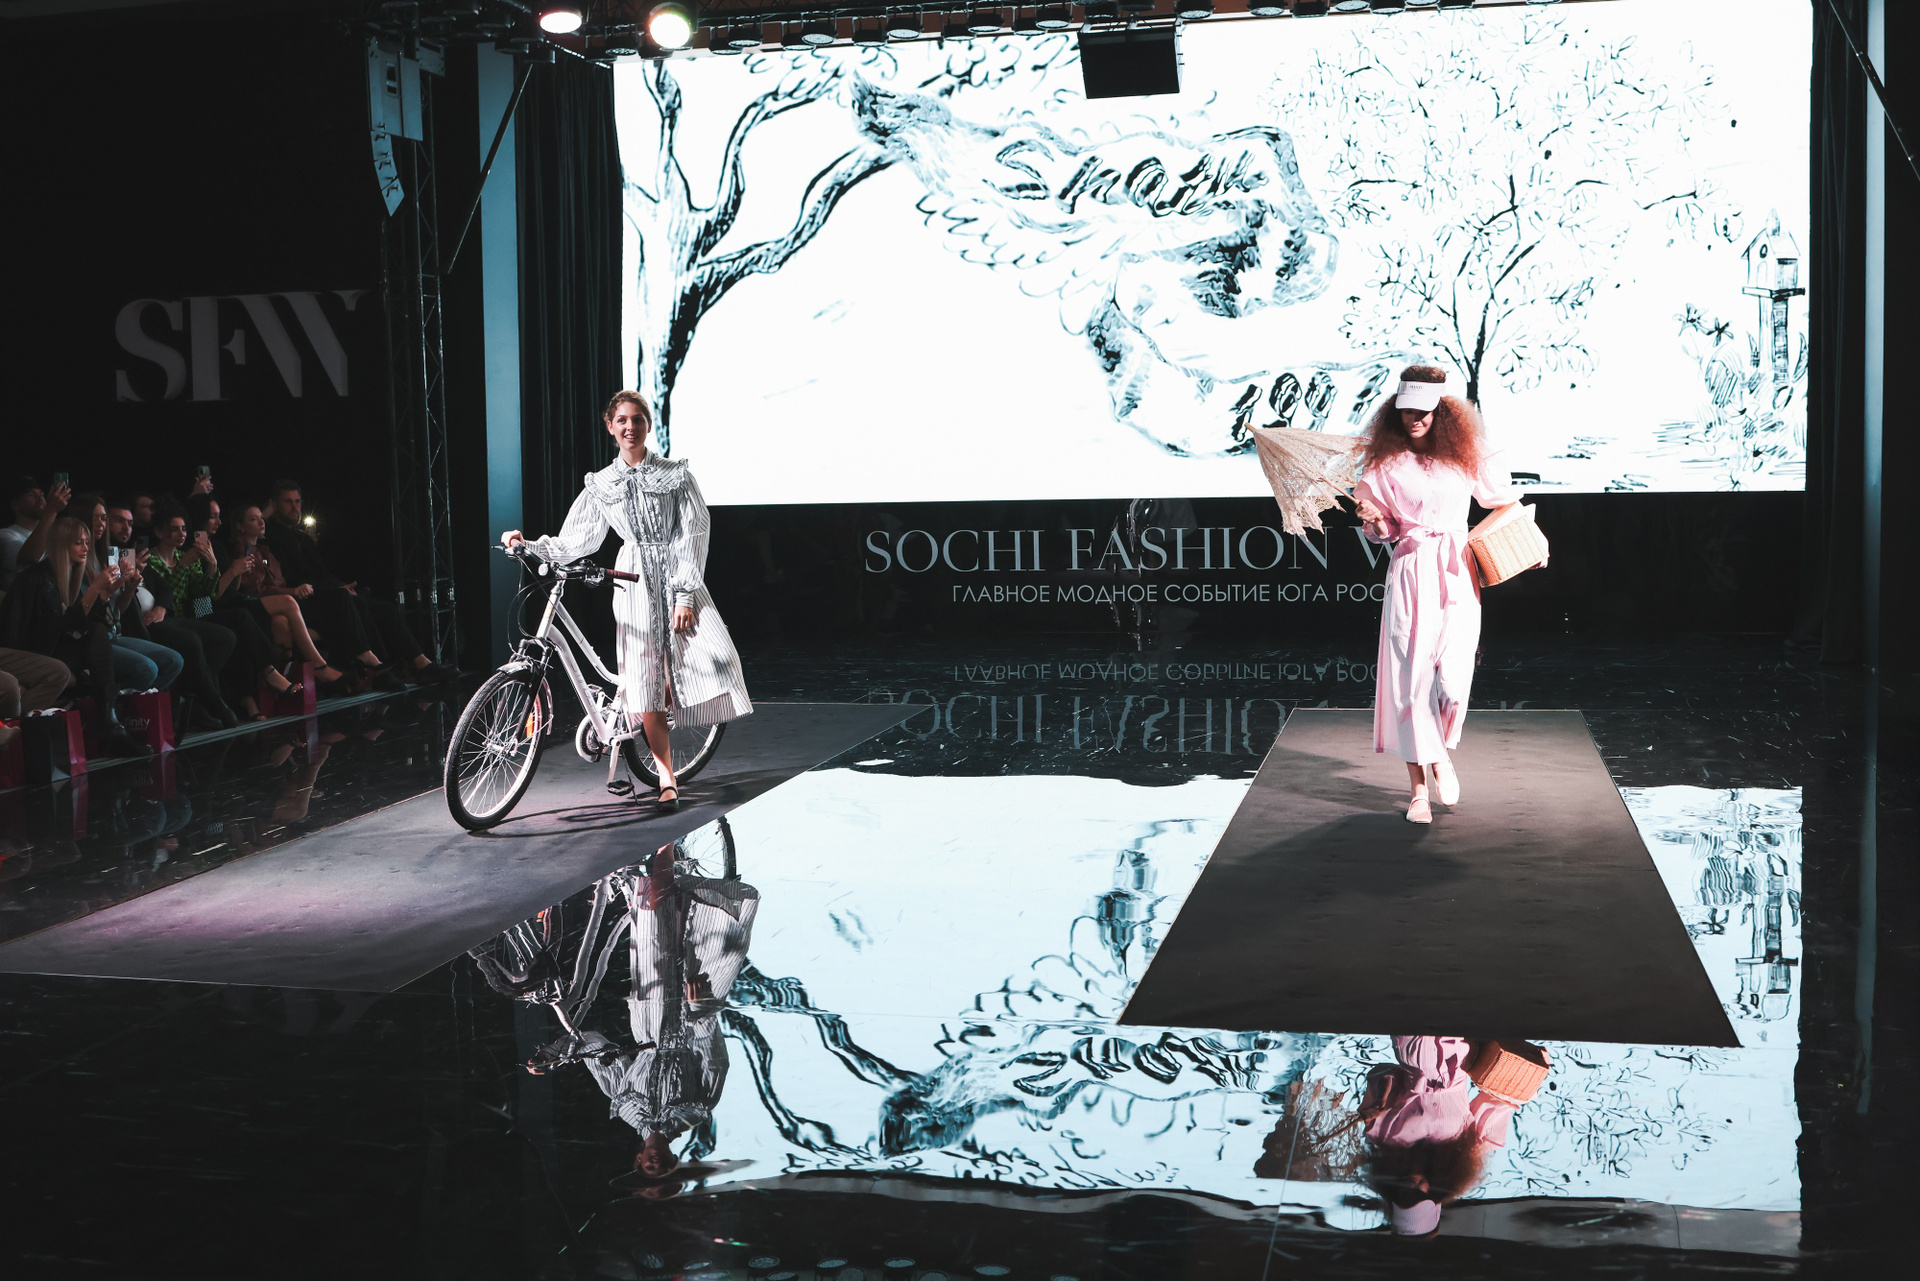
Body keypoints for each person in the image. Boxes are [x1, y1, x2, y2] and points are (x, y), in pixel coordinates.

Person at [500, 391, 751, 807]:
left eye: (637, 419)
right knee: (645, 680)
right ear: (610, 426)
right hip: (632, 582)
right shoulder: (602, 484)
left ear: (648, 424)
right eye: (622, 420)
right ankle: (666, 777)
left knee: (714, 658)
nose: (630, 427)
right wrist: (531, 545)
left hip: (674, 574)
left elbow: (694, 534)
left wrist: (685, 595)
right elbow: (578, 539)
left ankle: (659, 708)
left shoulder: (676, 475)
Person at [1352, 365, 1522, 824]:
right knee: (1410, 679)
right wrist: (1374, 518)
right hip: (1411, 570)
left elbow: (1500, 498)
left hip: (1457, 569)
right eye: (1406, 410)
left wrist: (1532, 544)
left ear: (1441, 412)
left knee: (1452, 677)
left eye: (1423, 411)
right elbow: (1384, 531)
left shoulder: (1465, 455)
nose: (1414, 418)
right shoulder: (1385, 465)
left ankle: (1440, 752)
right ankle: (1418, 791)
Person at [263, 480, 450, 687]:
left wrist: (341, 585)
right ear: (275, 504)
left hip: (325, 591)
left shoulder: (302, 538)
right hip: (305, 597)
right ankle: (375, 665)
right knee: (349, 600)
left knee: (385, 609)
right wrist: (336, 589)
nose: (295, 507)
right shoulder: (270, 536)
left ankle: (420, 663)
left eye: (297, 501)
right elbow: (293, 578)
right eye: (288, 502)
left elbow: (321, 573)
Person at [0, 516, 150, 758]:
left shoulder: (73, 576)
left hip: (56, 647)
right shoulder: (38, 578)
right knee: (129, 660)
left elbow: (99, 623)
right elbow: (52, 632)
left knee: (99, 635)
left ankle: (109, 721)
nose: (85, 548)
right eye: (78, 542)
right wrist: (95, 590)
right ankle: (109, 724)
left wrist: (111, 591)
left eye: (87, 542)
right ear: (61, 544)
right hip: (29, 649)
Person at [1359, 1035, 1520, 1237]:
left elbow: (1384, 1072)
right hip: (1460, 1050)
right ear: (1435, 1192)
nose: (1410, 1186)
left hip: (1413, 1045)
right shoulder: (1466, 1149)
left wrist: (1380, 1100)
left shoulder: (1382, 1136)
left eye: (1403, 1195)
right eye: (1418, 1195)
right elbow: (1499, 1099)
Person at [219, 503, 354, 695]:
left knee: (283, 621)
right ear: (240, 526)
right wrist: (292, 590)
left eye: (261, 517)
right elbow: (250, 588)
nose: (261, 522)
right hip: (254, 604)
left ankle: (289, 679)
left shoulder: (262, 551)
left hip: (271, 602)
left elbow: (272, 577)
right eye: (254, 519)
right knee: (290, 604)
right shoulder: (240, 552)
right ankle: (319, 666)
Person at [143, 500, 244, 729]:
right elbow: (170, 598)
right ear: (159, 532)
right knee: (193, 640)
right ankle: (211, 703)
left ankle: (194, 697)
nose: (181, 534)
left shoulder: (185, 555)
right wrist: (181, 567)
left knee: (226, 637)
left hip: (188, 616)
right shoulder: (151, 560)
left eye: (183, 529)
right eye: (174, 529)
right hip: (163, 619)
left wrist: (212, 566)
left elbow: (204, 595)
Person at [2, 474, 69, 590]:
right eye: (31, 495)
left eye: (42, 494)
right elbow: (30, 558)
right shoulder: (5, 535)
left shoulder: (53, 536)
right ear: (15, 505)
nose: (40, 498)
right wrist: (52, 510)